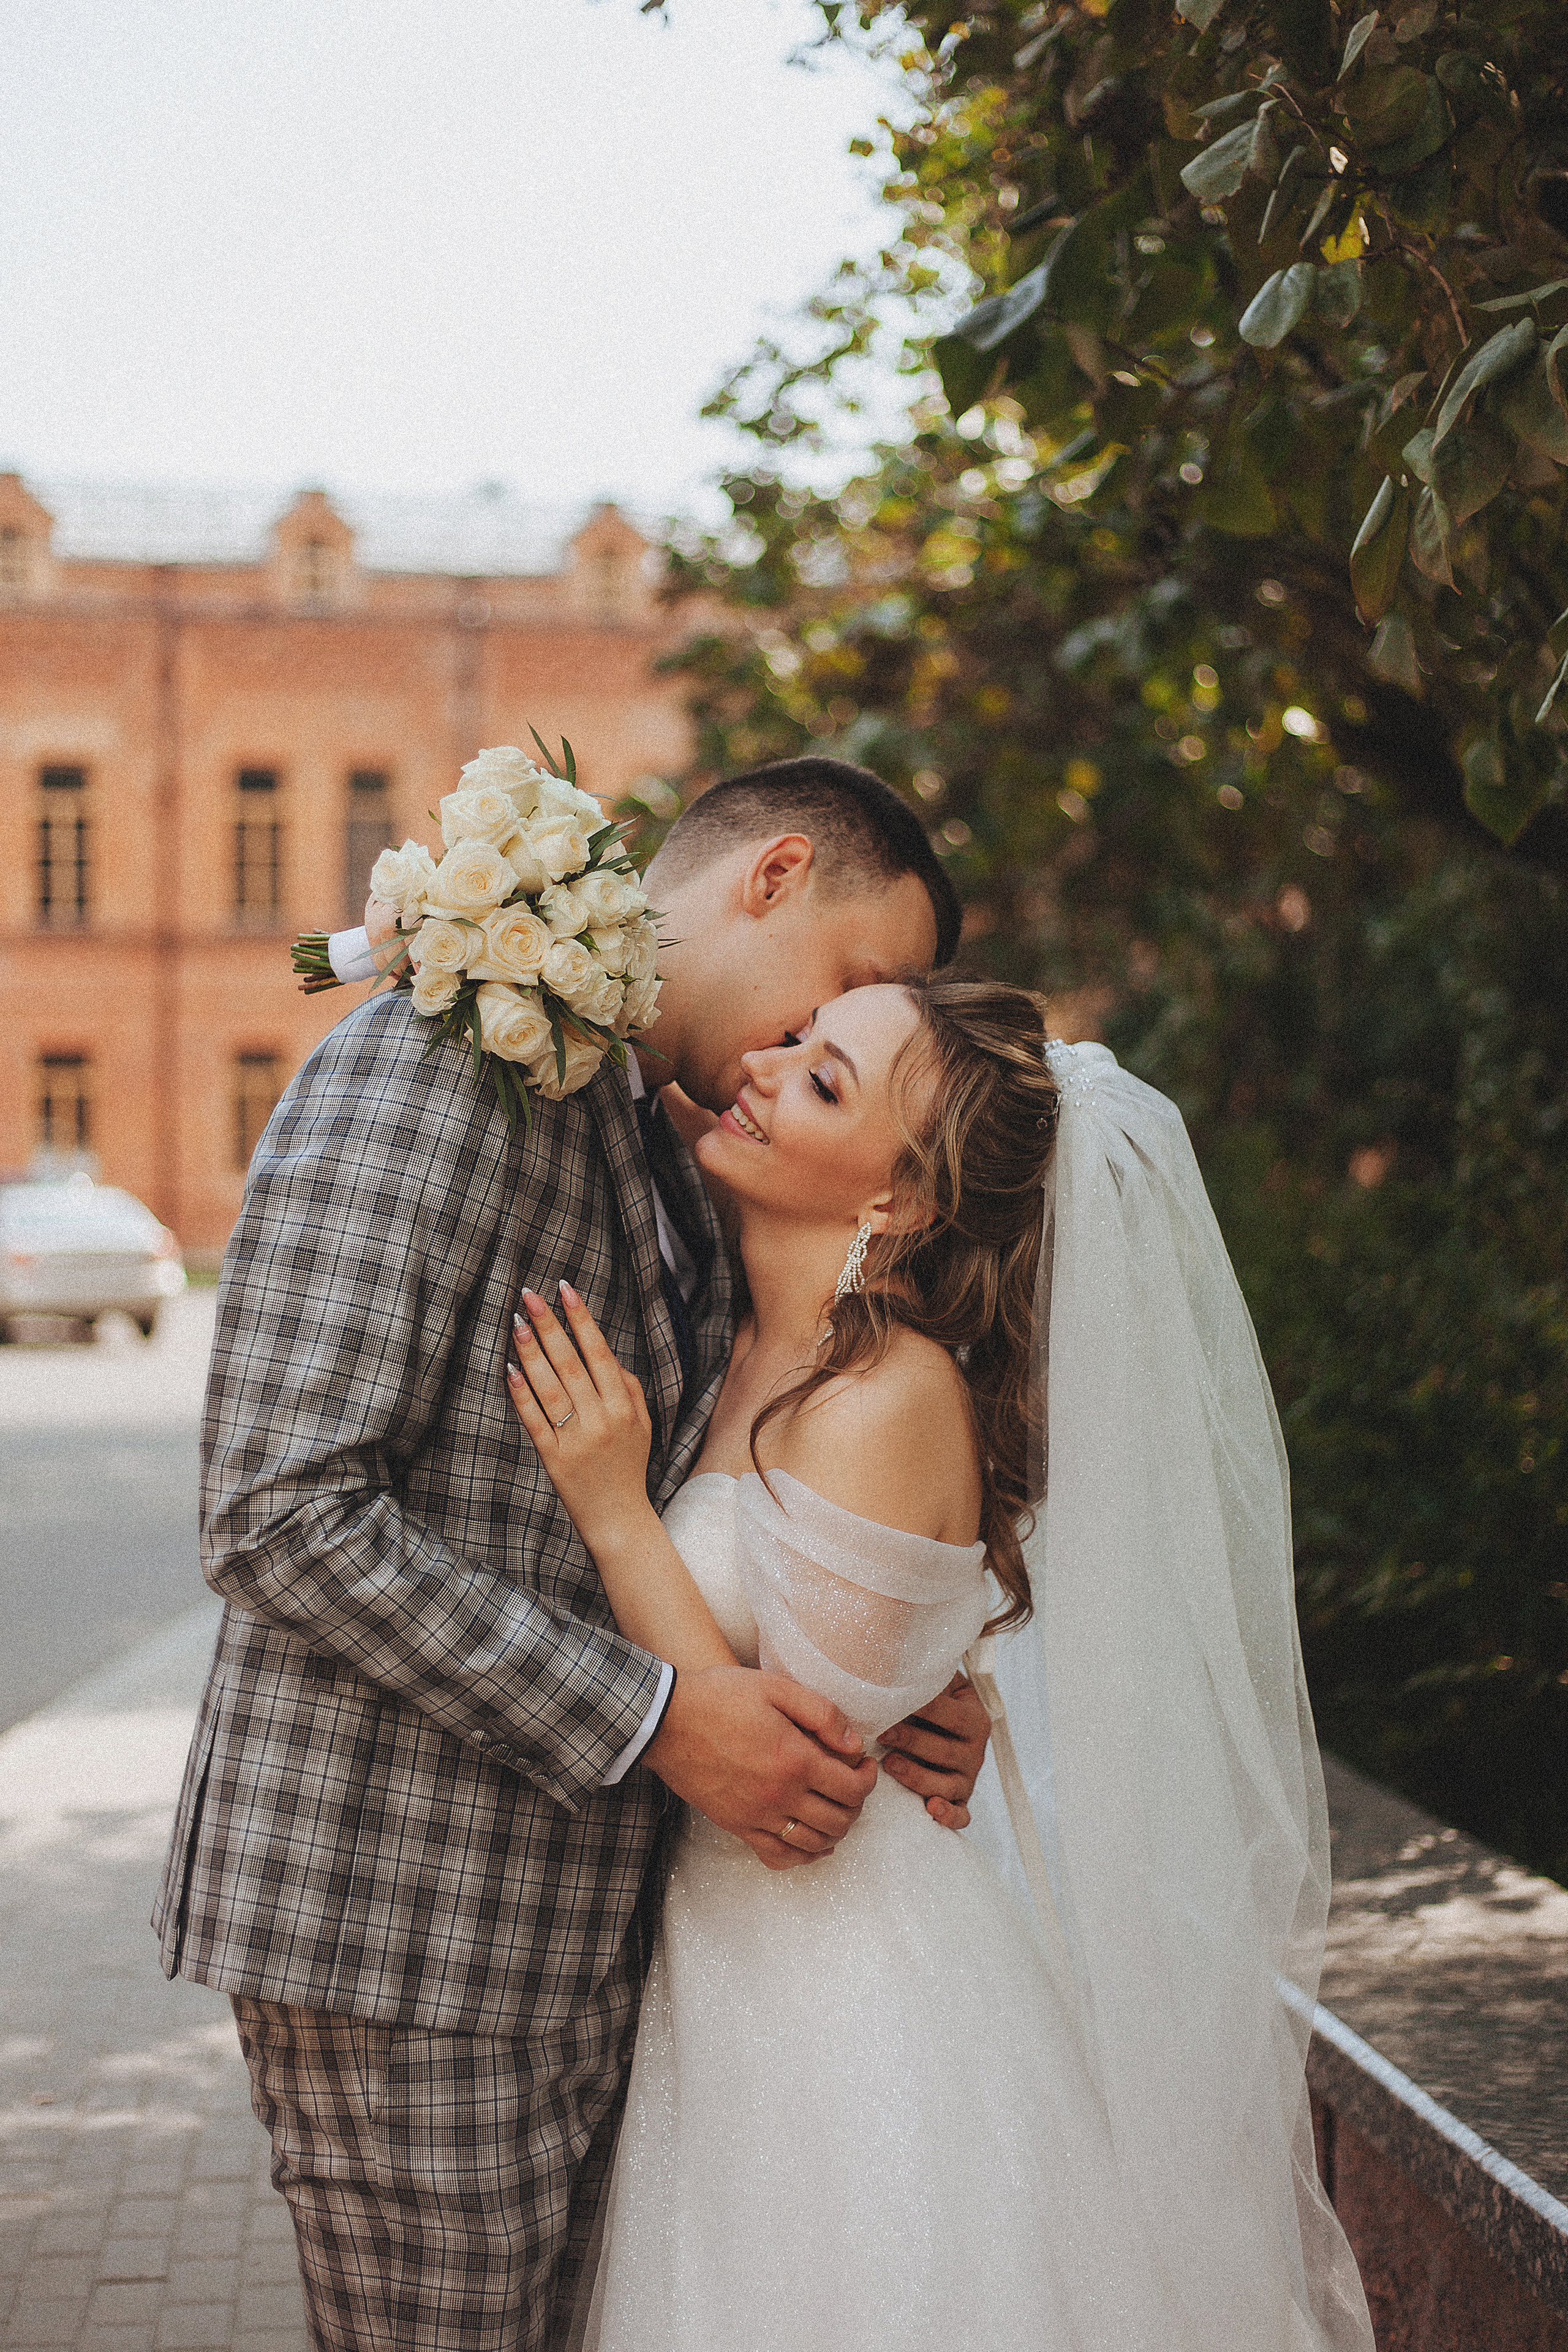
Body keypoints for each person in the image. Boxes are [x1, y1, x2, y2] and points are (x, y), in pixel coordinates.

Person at [153, 756, 996, 2352]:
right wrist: (665, 1720)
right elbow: (277, 1502)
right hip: (405, 1940)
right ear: (772, 876)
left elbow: (734, 1486)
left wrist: (883, 1685)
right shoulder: (429, 1061)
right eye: (854, 983)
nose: (835, 1041)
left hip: (582, 1948)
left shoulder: (644, 1125)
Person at [505, 977, 1378, 2351]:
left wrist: (615, 1511)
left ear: (900, 1203)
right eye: (796, 1038)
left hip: (852, 2011)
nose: (767, 1066)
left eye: (824, 1081)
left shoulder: (887, 1395)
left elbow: (780, 1778)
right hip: (731, 1988)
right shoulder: (744, 1338)